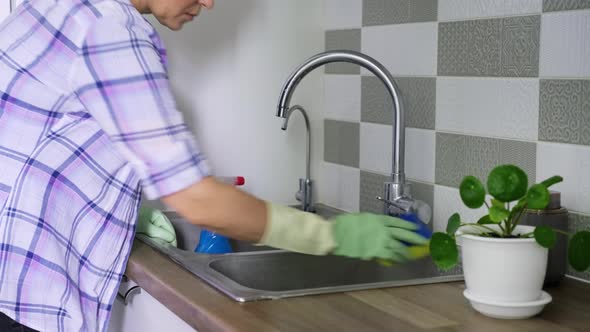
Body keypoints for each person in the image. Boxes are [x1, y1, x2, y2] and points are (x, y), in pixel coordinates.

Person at [0, 0, 429, 331]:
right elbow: (198, 200)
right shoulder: (108, 29)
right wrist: (333, 235)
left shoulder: (59, 7)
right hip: (23, 301)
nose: (209, 2)